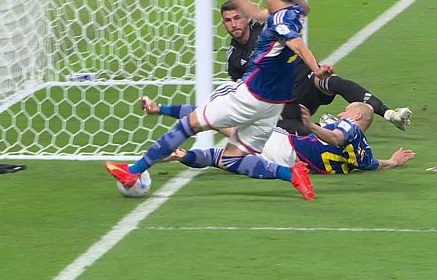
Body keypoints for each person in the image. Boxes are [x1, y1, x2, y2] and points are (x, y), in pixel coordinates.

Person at [106, 0, 333, 201]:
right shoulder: (295, 12)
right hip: (274, 106)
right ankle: (292, 174)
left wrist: (317, 70)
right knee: (231, 159)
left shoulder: (279, 23)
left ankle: (133, 171)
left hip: (252, 94)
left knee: (189, 124)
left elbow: (297, 44)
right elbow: (261, 11)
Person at [218, 0, 412, 135]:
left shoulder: (267, 29)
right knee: (283, 125)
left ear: (246, 18)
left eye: (237, 18)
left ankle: (389, 113)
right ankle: (329, 131)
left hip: (308, 81)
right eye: (228, 20)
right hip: (287, 100)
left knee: (332, 82)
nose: (233, 24)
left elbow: (298, 39)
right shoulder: (234, 59)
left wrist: (316, 69)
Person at [141, 97, 415, 174]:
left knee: (215, 118)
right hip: (290, 160)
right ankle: (182, 155)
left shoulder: (350, 128)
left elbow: (337, 139)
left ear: (357, 117)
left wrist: (312, 126)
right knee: (223, 159)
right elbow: (374, 164)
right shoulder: (364, 152)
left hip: (285, 146)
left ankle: (160, 109)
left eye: (346, 110)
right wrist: (392, 161)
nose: (342, 113)